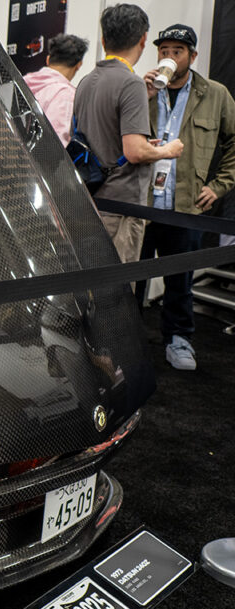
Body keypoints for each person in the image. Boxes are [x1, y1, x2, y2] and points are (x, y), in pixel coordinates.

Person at [135, 24, 235, 370]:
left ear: (192, 57)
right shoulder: (140, 89)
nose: (169, 57)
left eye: (178, 51)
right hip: (140, 202)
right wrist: (144, 94)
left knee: (181, 279)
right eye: (164, 50)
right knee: (132, 277)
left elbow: (234, 141)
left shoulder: (216, 94)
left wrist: (219, 185)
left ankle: (178, 339)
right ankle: (128, 342)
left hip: (186, 205)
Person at [72, 3, 184, 264]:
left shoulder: (86, 82)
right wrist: (167, 151)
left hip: (91, 200)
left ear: (103, 39)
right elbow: (134, 152)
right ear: (143, 39)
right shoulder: (130, 82)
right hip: (121, 208)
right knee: (116, 290)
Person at [22, 33, 89, 146]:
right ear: (79, 65)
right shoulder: (66, 95)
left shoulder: (23, 82)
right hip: (39, 161)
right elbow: (56, 143)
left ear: (48, 59)